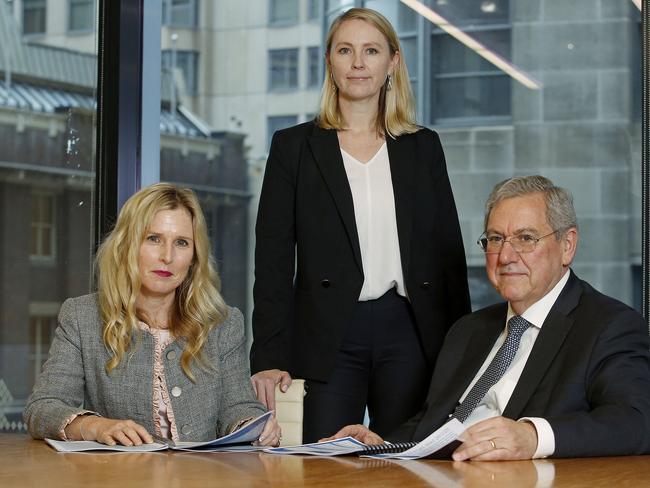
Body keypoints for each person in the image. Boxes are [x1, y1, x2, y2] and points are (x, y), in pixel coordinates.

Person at [250, 7, 470, 443]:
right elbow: (273, 260)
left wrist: (462, 355)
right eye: (345, 50)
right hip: (329, 333)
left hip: (409, 331)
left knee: (408, 464)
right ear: (329, 62)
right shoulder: (293, 147)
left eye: (371, 50)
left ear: (393, 62)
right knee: (325, 466)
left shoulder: (423, 148)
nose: (357, 62)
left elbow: (449, 255)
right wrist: (268, 355)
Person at [327, 175, 650, 459]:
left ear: (567, 245)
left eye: (526, 238)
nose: (506, 256)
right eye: (495, 239)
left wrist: (532, 437)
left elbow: (638, 421)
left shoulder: (609, 325)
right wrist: (380, 444)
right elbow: (436, 424)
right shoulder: (469, 329)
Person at [24, 183, 280, 447]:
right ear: (127, 245)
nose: (167, 256)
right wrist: (95, 426)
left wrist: (254, 424)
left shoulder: (223, 323)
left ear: (194, 257)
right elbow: (42, 408)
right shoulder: (82, 317)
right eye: (153, 238)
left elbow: (238, 406)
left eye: (181, 243)